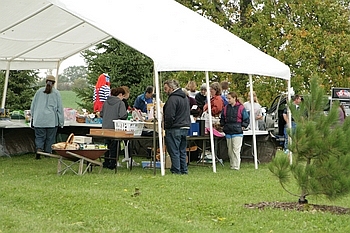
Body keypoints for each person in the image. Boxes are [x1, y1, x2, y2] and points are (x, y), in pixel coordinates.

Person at [30, 75, 64, 159]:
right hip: (51, 120)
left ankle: (39, 149)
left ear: (46, 81)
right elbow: (60, 109)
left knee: (39, 137)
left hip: (39, 119)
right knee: (50, 138)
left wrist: (33, 117)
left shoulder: (39, 92)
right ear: (54, 83)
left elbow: (33, 106)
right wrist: (61, 122)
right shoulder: (56, 93)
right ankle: (48, 153)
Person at [163, 79, 191, 174]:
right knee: (182, 150)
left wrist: (167, 126)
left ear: (171, 88)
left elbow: (169, 115)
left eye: (166, 88)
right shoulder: (185, 98)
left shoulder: (172, 99)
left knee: (174, 150)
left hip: (174, 128)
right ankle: (184, 169)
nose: (165, 91)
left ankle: (176, 170)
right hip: (185, 126)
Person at [220, 92, 249, 170]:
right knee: (230, 151)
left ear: (234, 98)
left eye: (229, 98)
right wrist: (222, 125)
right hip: (228, 130)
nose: (228, 100)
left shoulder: (241, 108)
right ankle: (232, 165)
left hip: (237, 131)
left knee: (236, 149)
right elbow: (222, 118)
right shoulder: (226, 108)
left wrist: (243, 126)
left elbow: (246, 118)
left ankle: (236, 166)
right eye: (227, 98)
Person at [100, 87, 128, 169]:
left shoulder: (105, 102)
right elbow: (123, 115)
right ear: (120, 95)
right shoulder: (120, 103)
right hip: (115, 127)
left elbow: (101, 114)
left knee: (106, 145)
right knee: (114, 146)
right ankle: (112, 163)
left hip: (105, 127)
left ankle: (106, 162)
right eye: (123, 96)